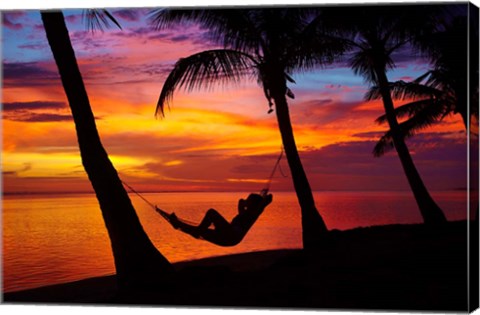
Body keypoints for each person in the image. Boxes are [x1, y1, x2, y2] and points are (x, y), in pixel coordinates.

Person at [167, 193, 273, 247]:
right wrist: (245, 201)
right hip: (229, 235)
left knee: (211, 213)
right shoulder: (245, 214)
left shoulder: (253, 214)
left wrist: (261, 201)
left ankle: (194, 230)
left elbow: (269, 199)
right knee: (202, 231)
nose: (247, 202)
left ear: (253, 204)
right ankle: (178, 225)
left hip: (230, 236)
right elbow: (240, 203)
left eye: (249, 200)